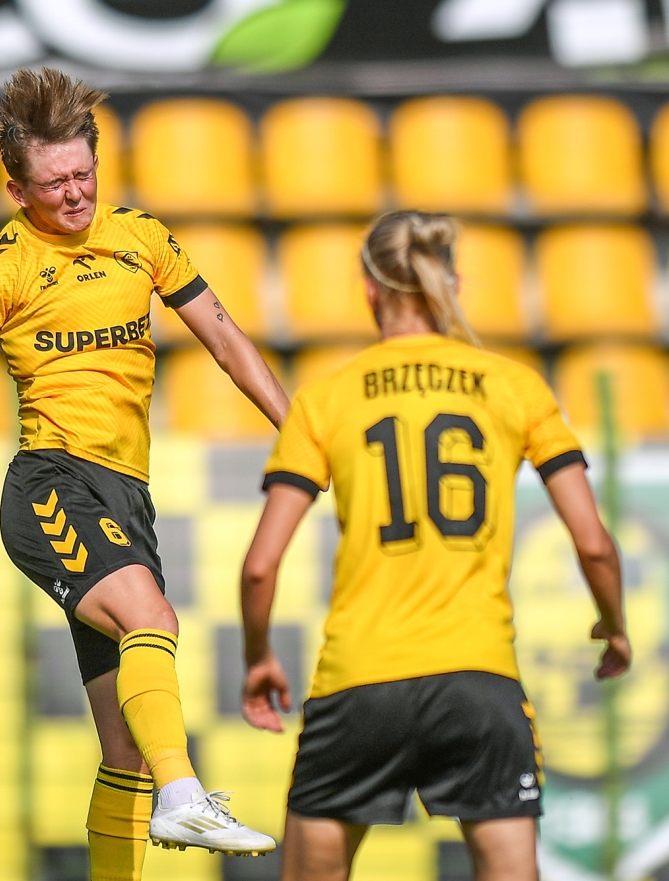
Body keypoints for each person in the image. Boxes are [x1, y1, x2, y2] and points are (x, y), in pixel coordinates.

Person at [0, 67, 289, 878]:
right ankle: (185, 794)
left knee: (125, 746)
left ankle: (151, 809)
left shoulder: (141, 237)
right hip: (51, 484)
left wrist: (297, 428)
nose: (75, 193)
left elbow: (226, 339)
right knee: (155, 617)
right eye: (55, 184)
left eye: (84, 174)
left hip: (124, 496)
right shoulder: (5, 266)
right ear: (17, 191)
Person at [239, 209, 632, 881]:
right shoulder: (515, 385)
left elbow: (259, 566)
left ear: (369, 289)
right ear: (452, 284)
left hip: (359, 681)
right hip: (480, 679)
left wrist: (258, 657)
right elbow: (593, 543)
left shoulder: (326, 398)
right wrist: (614, 625)